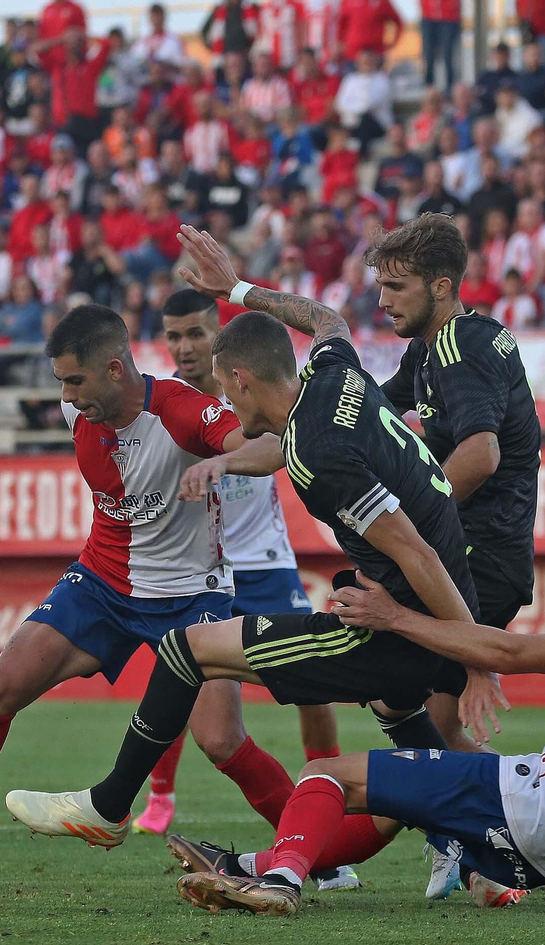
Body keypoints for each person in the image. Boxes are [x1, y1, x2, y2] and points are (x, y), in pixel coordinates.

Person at [0, 225, 503, 849]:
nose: (224, 408)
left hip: (403, 624)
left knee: (186, 649)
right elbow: (326, 319)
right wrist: (237, 289)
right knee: (400, 714)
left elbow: (417, 553)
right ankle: (486, 840)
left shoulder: (320, 459)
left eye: (223, 387)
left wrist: (475, 659)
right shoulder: (332, 373)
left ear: (239, 380)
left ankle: (108, 806)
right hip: (412, 606)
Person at [169, 532, 545, 917]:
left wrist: (394, 616)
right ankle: (245, 865)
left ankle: (278, 878)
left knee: (326, 773)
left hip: (526, 806)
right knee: (393, 799)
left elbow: (510, 655)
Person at [0, 302, 293, 872]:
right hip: (102, 582)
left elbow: (273, 446)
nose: (67, 394)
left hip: (190, 594)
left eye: (75, 380)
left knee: (221, 740)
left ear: (114, 369)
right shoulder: (76, 409)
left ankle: (323, 857)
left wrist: (223, 466)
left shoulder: (183, 411)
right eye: (61, 381)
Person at [135, 288, 362, 892]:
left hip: (262, 566)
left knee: (314, 691)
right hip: (201, 576)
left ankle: (325, 798)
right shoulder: (161, 407)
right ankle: (319, 851)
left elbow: (276, 448)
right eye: (174, 336)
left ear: (222, 339)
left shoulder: (247, 394)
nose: (185, 347)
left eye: (197, 334)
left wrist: (225, 462)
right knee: (207, 725)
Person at [367, 213, 543, 893]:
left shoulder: (459, 350)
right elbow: (374, 415)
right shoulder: (434, 348)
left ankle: (493, 844)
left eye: (398, 286)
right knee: (405, 707)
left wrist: (409, 515)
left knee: (417, 718)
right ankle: (518, 840)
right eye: (380, 286)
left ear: (442, 285)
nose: (384, 300)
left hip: (479, 555)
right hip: (479, 554)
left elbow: (481, 452)